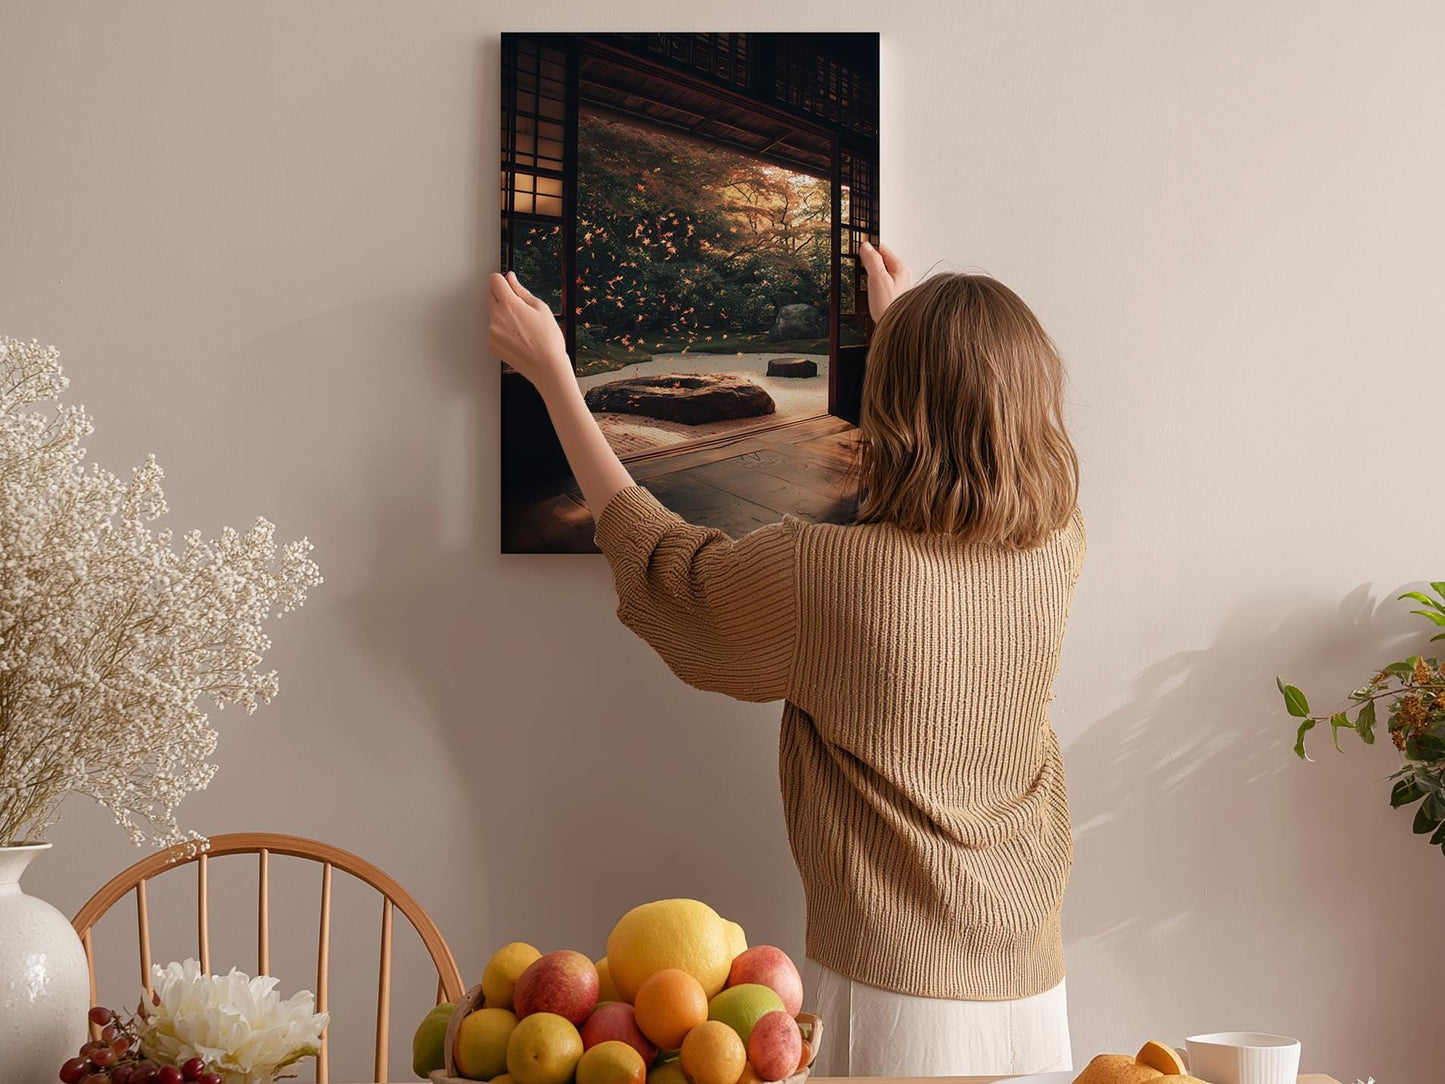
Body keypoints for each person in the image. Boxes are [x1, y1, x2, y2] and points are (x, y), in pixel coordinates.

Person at [487, 241, 1084, 1076]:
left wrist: (553, 374)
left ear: (895, 400)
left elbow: (669, 568)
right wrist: (904, 327)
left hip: (894, 993)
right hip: (1032, 980)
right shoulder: (1055, 546)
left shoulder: (828, 574)